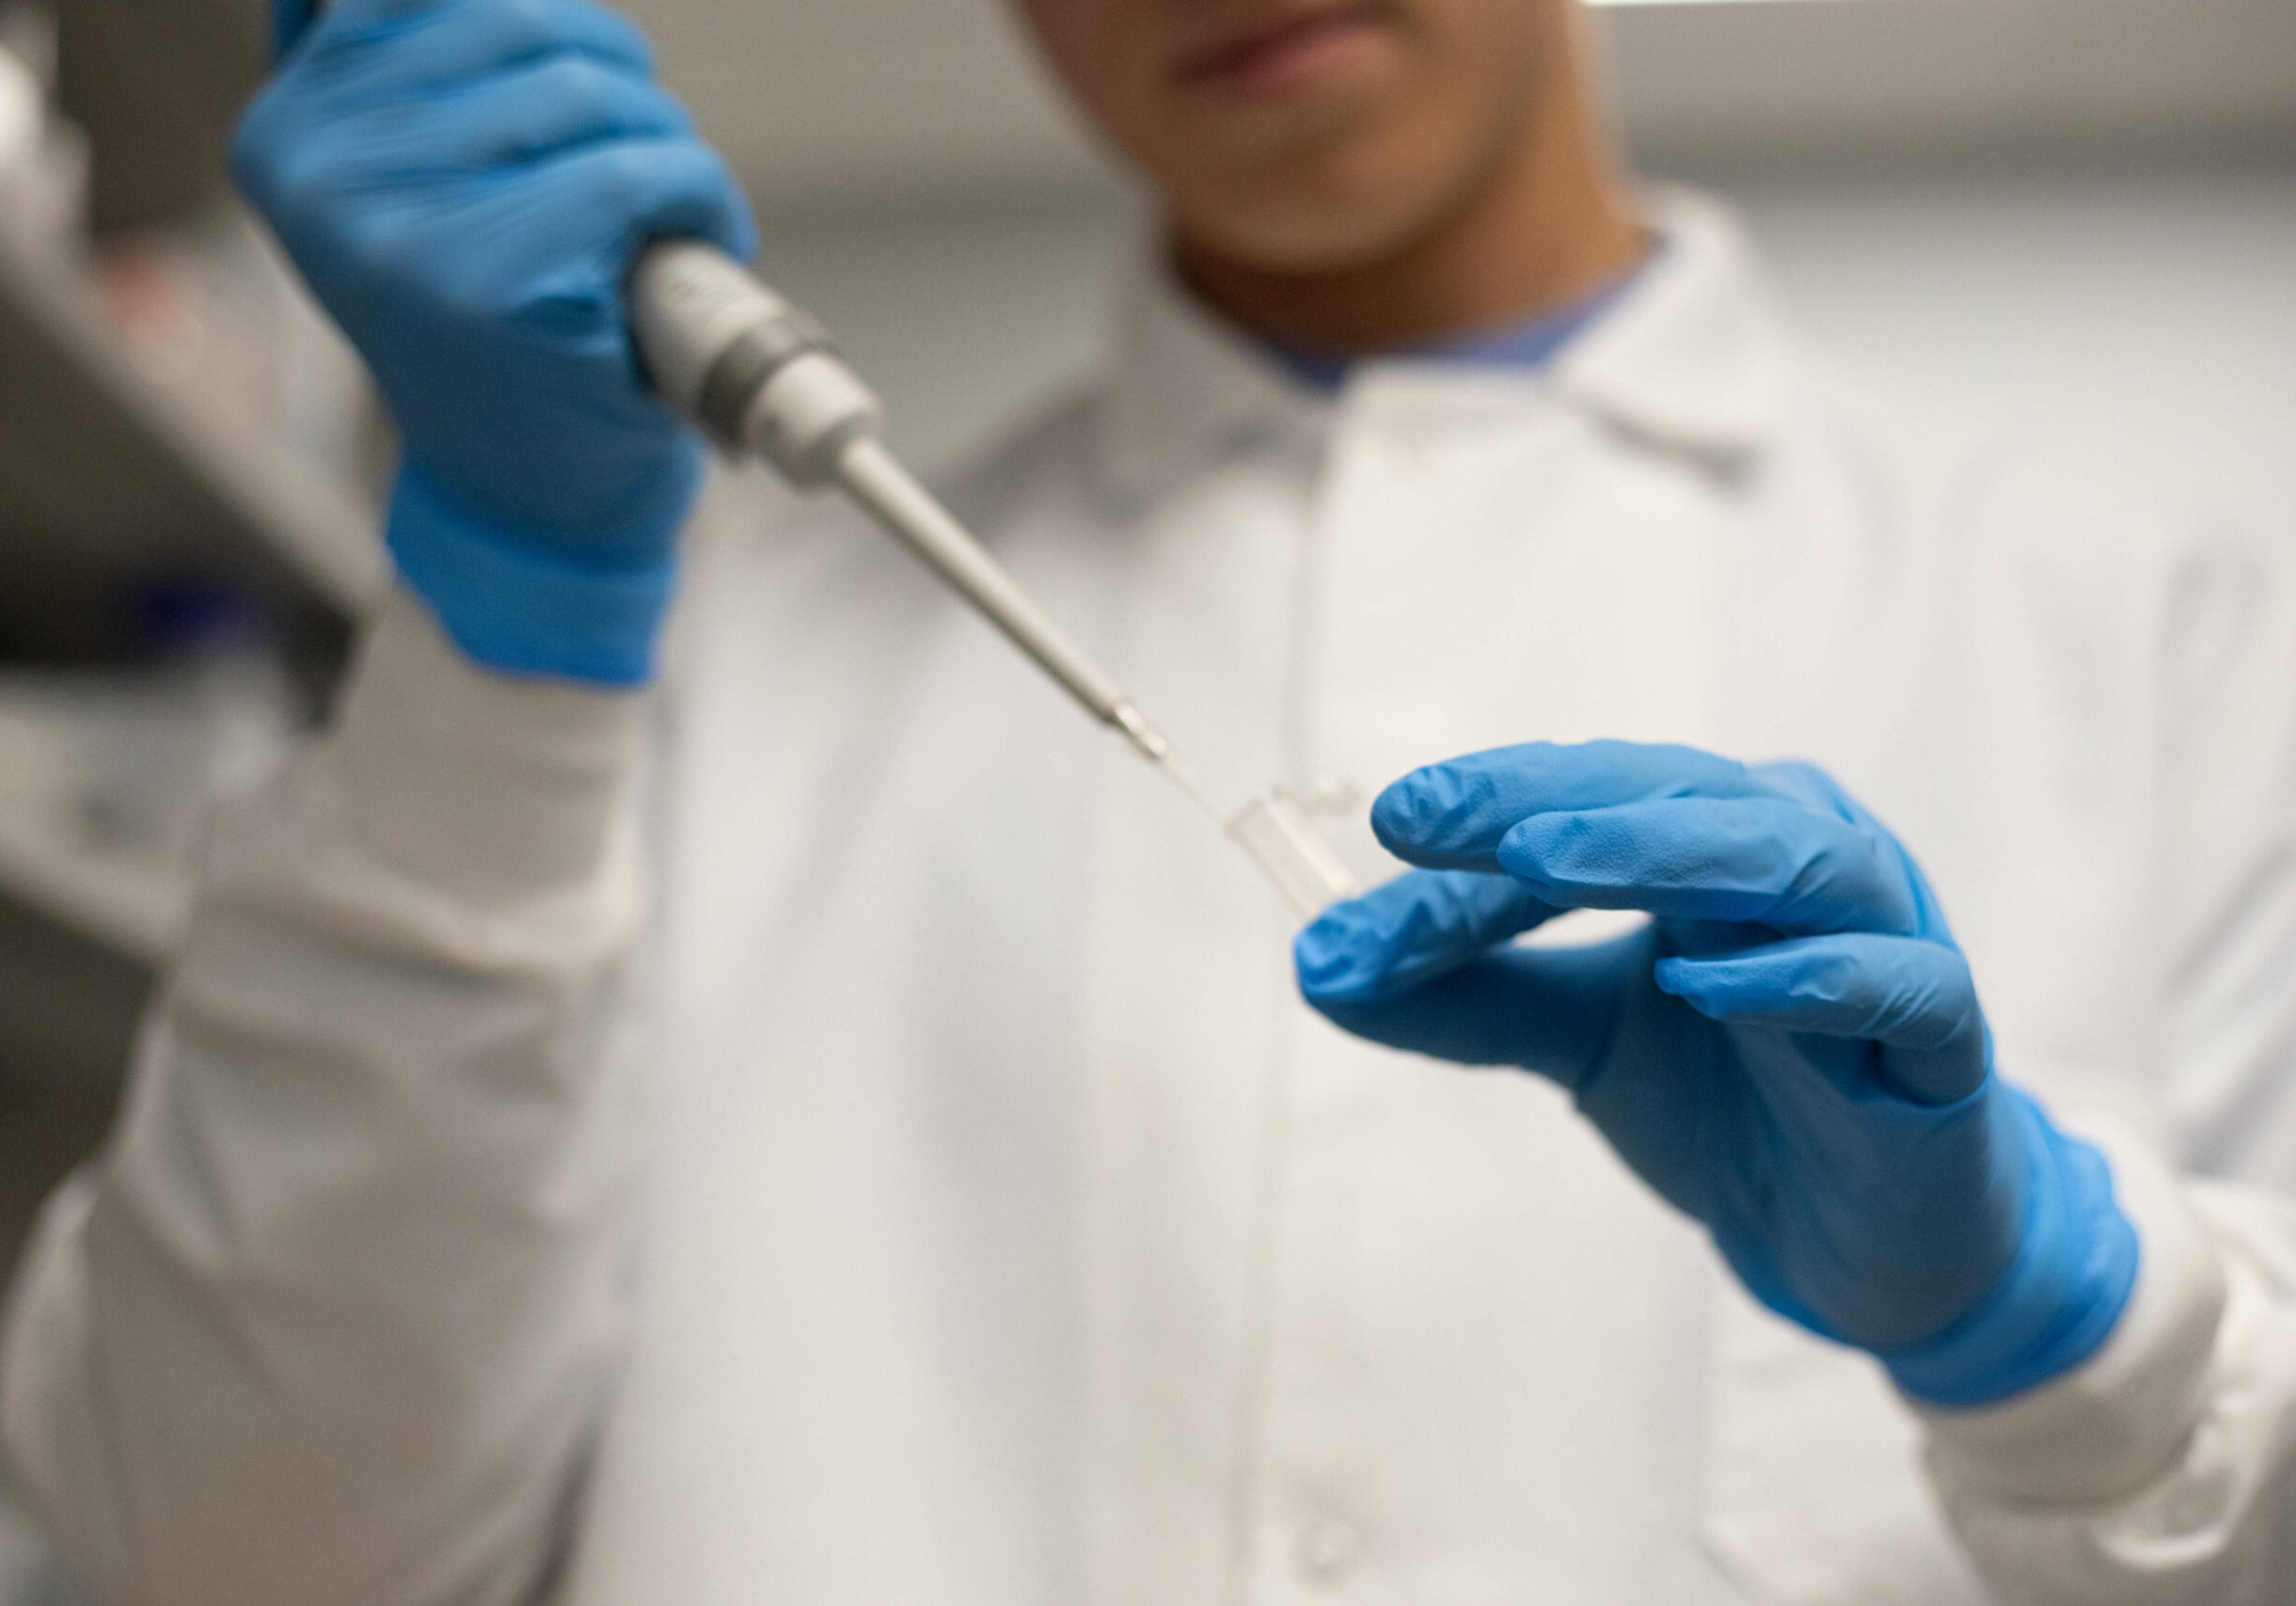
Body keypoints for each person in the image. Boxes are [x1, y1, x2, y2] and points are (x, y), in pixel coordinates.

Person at [5, 0, 2294, 1599]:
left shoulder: (2149, 633)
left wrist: (2062, 1326)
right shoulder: (683, 667)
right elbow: (214, 1551)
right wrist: (511, 621)